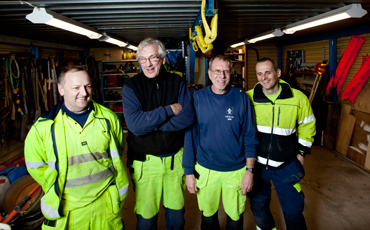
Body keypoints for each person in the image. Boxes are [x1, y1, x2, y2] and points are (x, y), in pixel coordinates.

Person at [24, 66, 129, 229]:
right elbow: (35, 165)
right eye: (76, 88)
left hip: (105, 206)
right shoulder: (43, 127)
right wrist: (56, 184)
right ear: (61, 90)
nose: (84, 92)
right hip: (68, 210)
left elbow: (118, 150)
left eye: (87, 86)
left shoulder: (108, 119)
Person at [122, 37, 194, 230]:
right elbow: (135, 126)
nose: (148, 64)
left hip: (174, 163)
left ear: (163, 59)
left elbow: (188, 118)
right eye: (143, 59)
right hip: (145, 165)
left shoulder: (177, 82)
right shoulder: (131, 88)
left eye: (153, 58)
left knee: (177, 219)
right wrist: (168, 110)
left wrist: (152, 124)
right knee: (146, 221)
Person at [183, 54, 259, 230]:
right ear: (209, 74)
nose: (221, 75)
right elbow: (191, 136)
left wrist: (250, 170)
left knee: (235, 217)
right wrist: (188, 172)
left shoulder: (241, 98)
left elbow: (250, 136)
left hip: (236, 170)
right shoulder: (198, 98)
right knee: (208, 218)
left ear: (231, 74)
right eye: (217, 71)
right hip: (206, 169)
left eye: (226, 71)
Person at [246, 57, 316, 230]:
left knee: (293, 211)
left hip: (287, 165)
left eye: (268, 72)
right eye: (259, 73)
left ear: (278, 73)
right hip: (258, 166)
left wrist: (301, 153)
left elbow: (308, 125)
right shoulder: (248, 98)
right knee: (259, 208)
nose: (264, 77)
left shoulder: (297, 98)